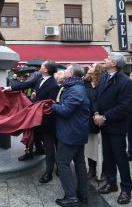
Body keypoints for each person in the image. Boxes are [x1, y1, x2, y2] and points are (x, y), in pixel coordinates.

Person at [94, 53, 132, 205]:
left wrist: (105, 117)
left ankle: (126, 189)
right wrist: (96, 113)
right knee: (108, 156)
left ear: (114, 64)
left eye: (108, 58)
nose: (104, 59)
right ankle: (111, 183)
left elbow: (125, 106)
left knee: (120, 158)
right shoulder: (104, 78)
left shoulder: (125, 82)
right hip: (103, 124)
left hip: (116, 126)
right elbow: (96, 98)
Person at [52, 64, 89, 207]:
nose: (64, 71)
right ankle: (82, 193)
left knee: (62, 162)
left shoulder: (75, 90)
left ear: (72, 73)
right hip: (76, 132)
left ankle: (71, 197)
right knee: (79, 163)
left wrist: (52, 105)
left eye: (67, 70)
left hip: (71, 133)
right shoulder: (76, 87)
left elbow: (65, 110)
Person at [83, 63, 106, 180]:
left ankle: (104, 171)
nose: (89, 66)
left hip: (102, 119)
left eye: (92, 65)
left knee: (104, 147)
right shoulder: (85, 83)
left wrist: (99, 114)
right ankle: (92, 169)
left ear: (97, 70)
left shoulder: (103, 83)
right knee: (90, 146)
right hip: (89, 120)